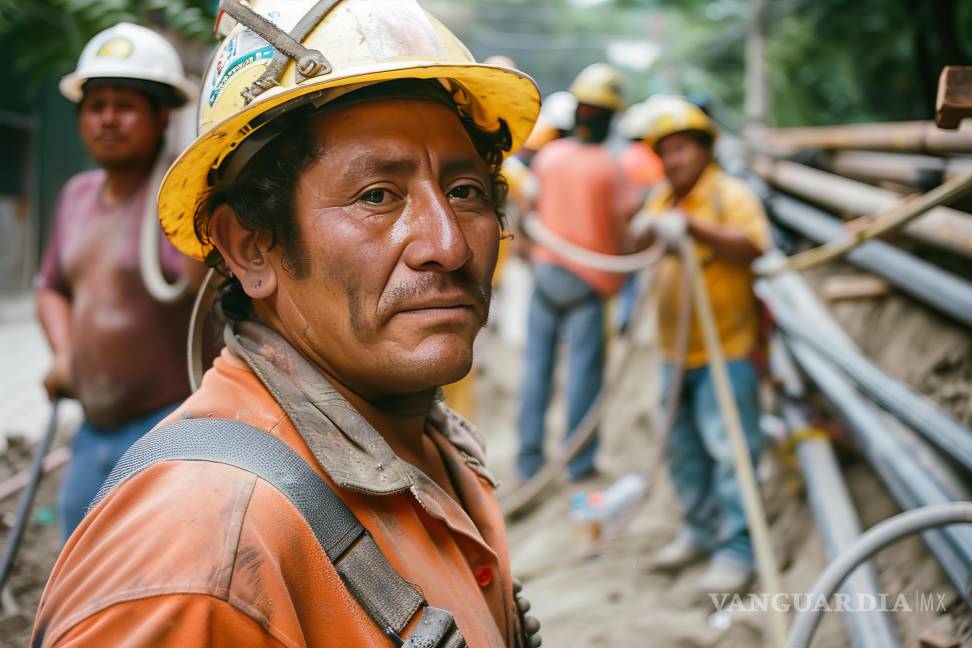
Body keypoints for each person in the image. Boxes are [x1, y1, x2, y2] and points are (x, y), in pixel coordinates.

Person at [32, 1, 542, 646]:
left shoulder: (429, 444)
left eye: (465, 190)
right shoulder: (201, 561)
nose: (448, 244)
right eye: (376, 196)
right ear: (250, 248)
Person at [35, 22, 201, 541]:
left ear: (161, 115)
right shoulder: (77, 196)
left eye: (124, 105)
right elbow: (51, 287)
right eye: (95, 104)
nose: (107, 118)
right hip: (90, 431)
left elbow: (204, 291)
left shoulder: (184, 195)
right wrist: (65, 355)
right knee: (73, 575)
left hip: (170, 429)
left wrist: (198, 196)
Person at [638, 96, 771, 594]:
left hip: (727, 351)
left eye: (681, 150)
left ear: (705, 150)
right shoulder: (663, 198)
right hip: (675, 354)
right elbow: (633, 244)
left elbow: (755, 245)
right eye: (665, 153)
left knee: (731, 452)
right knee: (684, 452)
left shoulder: (729, 195)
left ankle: (737, 551)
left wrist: (693, 228)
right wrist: (647, 225)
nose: (673, 162)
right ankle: (700, 532)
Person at [515, 63, 642, 483]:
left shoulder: (549, 157)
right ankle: (580, 461)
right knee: (584, 375)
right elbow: (626, 232)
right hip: (589, 283)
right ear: (609, 117)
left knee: (537, 368)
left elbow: (526, 214)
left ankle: (528, 462)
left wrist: (531, 254)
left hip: (547, 274)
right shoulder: (610, 168)